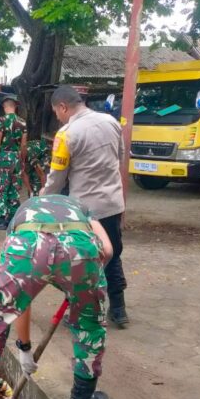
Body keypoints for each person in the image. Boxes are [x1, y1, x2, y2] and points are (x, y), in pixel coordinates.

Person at [0, 194, 112, 399]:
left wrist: (24, 348)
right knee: (90, 326)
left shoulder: (22, 216)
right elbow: (108, 250)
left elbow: (19, 304)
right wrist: (85, 281)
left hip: (28, 247)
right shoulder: (82, 210)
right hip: (80, 251)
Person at [42, 85, 129, 328]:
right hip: (112, 203)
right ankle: (119, 310)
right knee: (113, 255)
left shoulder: (66, 133)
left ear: (62, 107)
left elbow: (57, 177)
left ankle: (82, 313)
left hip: (84, 211)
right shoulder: (110, 121)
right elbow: (120, 156)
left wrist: (43, 197)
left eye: (56, 113)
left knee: (83, 261)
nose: (57, 118)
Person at [0, 96, 27, 230]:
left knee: (0, 188)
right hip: (16, 157)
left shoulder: (1, 121)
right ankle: (12, 218)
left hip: (4, 157)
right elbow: (23, 145)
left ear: (4, 106)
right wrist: (22, 160)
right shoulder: (23, 122)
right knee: (14, 188)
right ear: (16, 106)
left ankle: (0, 219)